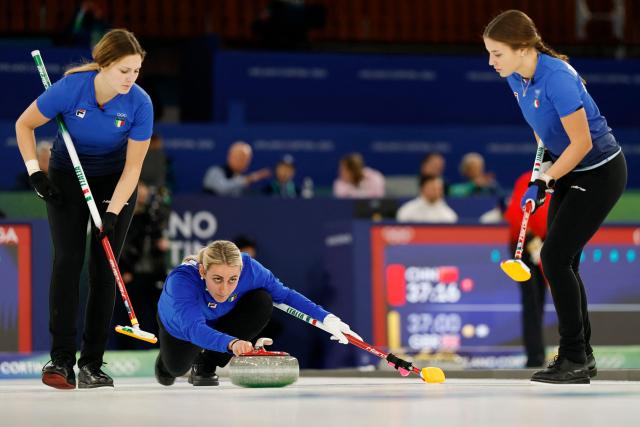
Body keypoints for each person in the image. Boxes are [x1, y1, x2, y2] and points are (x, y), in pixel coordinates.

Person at [484, 10, 627, 384]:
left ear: (522, 47)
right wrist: (540, 173)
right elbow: (544, 135)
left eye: (497, 53)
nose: (491, 62)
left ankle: (574, 356)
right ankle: (582, 356)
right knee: (564, 261)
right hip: (568, 169)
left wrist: (547, 180)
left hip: (599, 171)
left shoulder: (558, 78)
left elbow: (581, 143)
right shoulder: (516, 77)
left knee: (554, 256)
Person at [15, 29, 153, 389]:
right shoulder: (70, 89)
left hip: (114, 182)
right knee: (67, 261)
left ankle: (93, 363)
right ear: (104, 65)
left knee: (104, 268)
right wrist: (35, 172)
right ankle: (61, 360)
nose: (130, 78)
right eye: (124, 70)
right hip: (66, 176)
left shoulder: (140, 103)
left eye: (136, 71)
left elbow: (134, 168)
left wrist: (113, 212)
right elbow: (24, 124)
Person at [154, 240, 361, 386]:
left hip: (220, 319)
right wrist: (233, 343)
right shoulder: (181, 282)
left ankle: (206, 364)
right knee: (174, 371)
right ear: (202, 272)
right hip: (182, 328)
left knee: (263, 301)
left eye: (232, 280)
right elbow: (193, 329)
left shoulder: (251, 270)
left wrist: (328, 319)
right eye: (217, 279)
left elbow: (286, 296)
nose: (224, 289)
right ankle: (164, 362)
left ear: (240, 272)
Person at [110, 180, 170, 350]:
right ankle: (124, 351)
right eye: (138, 197)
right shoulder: (119, 219)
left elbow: (157, 241)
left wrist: (160, 245)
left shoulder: (151, 218)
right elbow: (118, 247)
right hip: (130, 275)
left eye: (144, 197)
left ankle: (161, 352)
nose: (141, 201)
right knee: (126, 316)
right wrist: (123, 270)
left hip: (153, 274)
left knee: (157, 314)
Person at [504, 171, 551, 368]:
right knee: (531, 300)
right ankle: (534, 357)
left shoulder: (563, 182)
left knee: (540, 300)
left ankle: (541, 353)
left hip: (548, 243)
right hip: (524, 245)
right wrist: (532, 241)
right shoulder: (526, 179)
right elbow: (515, 212)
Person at [202, 141, 271, 196]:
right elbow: (222, 189)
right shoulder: (214, 172)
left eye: (246, 159)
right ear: (230, 157)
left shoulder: (240, 178)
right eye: (240, 157)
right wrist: (248, 179)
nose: (243, 161)